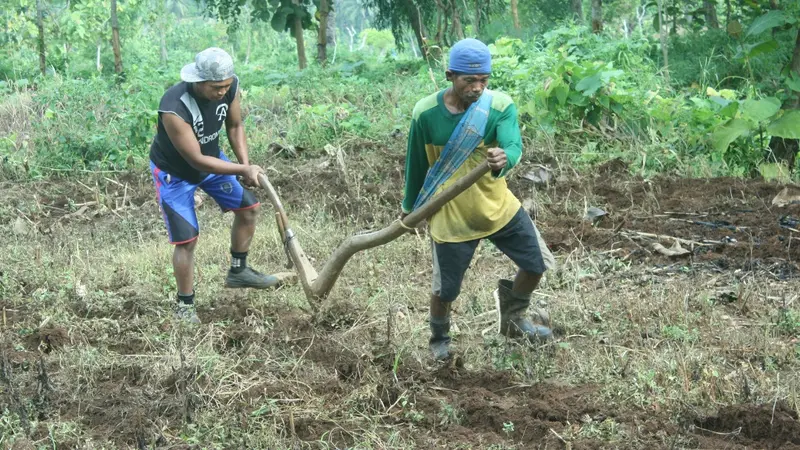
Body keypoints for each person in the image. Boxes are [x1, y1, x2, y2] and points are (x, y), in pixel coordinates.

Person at [401, 38, 556, 360]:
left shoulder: (499, 107)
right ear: (449, 76)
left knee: (536, 264)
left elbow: (513, 146)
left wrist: (505, 157)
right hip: (451, 215)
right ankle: (439, 339)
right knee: (446, 289)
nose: (477, 87)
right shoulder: (426, 114)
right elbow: (415, 164)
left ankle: (514, 320)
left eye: (483, 80)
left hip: (498, 207)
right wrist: (409, 210)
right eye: (469, 80)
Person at [149, 47, 280, 324]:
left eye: (226, 86)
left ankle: (238, 271)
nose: (222, 92)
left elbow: (234, 126)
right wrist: (243, 168)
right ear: (198, 81)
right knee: (187, 239)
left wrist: (245, 165)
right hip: (175, 174)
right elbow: (196, 159)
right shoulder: (174, 107)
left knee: (249, 208)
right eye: (215, 87)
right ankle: (185, 307)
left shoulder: (230, 88)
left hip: (212, 160)